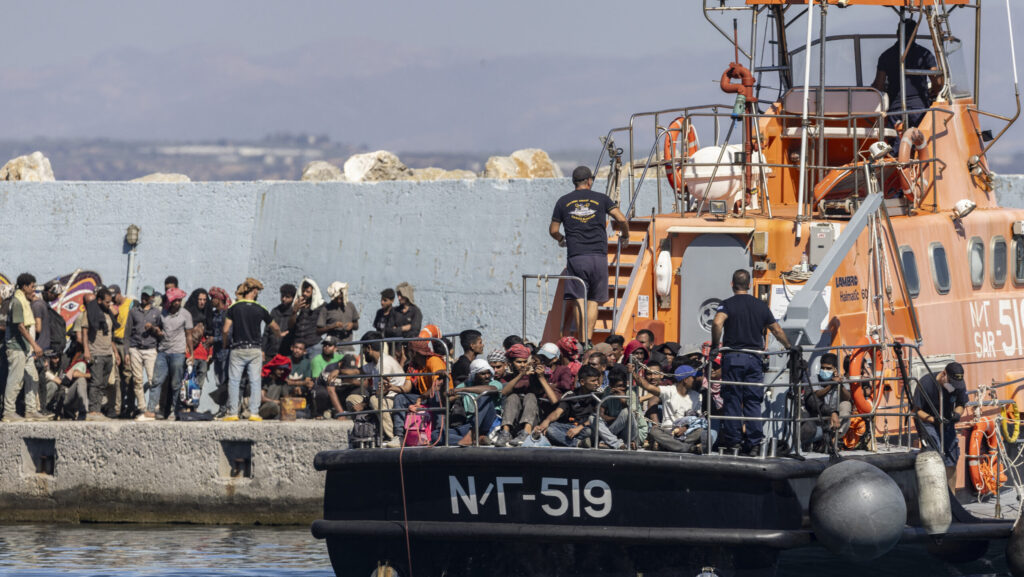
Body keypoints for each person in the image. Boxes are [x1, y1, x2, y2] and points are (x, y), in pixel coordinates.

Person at [710, 269, 791, 455]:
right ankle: (755, 443)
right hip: (754, 358)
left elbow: (716, 323)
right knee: (753, 401)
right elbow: (777, 330)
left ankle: (733, 443)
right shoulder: (760, 306)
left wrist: (716, 344)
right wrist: (789, 346)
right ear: (749, 285)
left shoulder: (726, 305)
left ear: (732, 284)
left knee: (732, 400)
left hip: (732, 358)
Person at [549, 166, 630, 345]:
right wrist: (625, 235)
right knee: (593, 299)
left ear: (574, 182)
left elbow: (553, 230)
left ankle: (582, 341)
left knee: (579, 298)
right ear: (589, 181)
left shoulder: (563, 201)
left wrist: (562, 239)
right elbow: (622, 219)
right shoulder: (601, 198)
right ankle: (589, 340)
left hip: (576, 257)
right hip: (599, 257)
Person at [221, 278, 281, 421]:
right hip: (254, 349)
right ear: (254, 292)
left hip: (237, 348)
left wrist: (225, 344)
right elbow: (275, 327)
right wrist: (279, 335)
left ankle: (233, 413)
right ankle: (254, 413)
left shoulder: (233, 308)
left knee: (234, 381)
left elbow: (225, 330)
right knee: (255, 381)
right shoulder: (261, 309)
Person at [871, 18, 941, 128]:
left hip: (896, 109)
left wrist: (865, 91)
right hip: (920, 109)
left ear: (897, 33)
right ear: (915, 34)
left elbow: (878, 85)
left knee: (896, 142)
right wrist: (934, 92)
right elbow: (937, 82)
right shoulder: (925, 54)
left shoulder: (886, 56)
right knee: (920, 141)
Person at [536, 365, 623, 449]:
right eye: (593, 381)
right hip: (571, 428)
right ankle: (578, 443)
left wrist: (579, 428)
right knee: (550, 429)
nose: (597, 383)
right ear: (582, 382)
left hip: (587, 428)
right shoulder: (571, 395)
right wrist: (546, 422)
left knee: (588, 432)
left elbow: (598, 418)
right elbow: (557, 412)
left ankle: (571, 442)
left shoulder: (599, 395)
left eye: (597, 380)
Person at [913, 362, 968, 487]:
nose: (953, 387)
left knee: (952, 456)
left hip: (947, 420)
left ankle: (951, 498)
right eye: (951, 383)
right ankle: (935, 492)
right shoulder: (926, 383)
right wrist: (934, 420)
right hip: (928, 421)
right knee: (934, 451)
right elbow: (916, 411)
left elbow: (961, 404)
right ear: (944, 374)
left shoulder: (959, 384)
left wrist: (957, 415)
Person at [640, 365, 713, 453]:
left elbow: (697, 419)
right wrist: (633, 373)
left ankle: (669, 446)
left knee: (705, 433)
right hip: (669, 432)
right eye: (693, 378)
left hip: (688, 432)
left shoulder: (697, 396)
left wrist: (685, 428)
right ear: (685, 380)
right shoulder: (668, 391)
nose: (695, 380)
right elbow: (648, 387)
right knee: (654, 431)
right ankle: (688, 448)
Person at [144, 287, 191, 420]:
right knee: (156, 381)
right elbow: (159, 327)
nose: (177, 303)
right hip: (163, 352)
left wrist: (190, 353)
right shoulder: (163, 313)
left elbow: (189, 334)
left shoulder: (185, 314)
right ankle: (151, 409)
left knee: (176, 384)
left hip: (178, 353)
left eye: (179, 300)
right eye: (175, 300)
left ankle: (176, 411)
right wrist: (156, 331)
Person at [3, 273, 45, 422]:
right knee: (16, 379)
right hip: (16, 347)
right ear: (24, 286)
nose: (34, 290)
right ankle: (8, 412)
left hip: (25, 348)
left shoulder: (25, 301)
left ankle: (31, 410)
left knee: (32, 377)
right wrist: (35, 344)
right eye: (32, 286)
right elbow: (20, 326)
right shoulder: (17, 302)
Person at [361, 330, 407, 447]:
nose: (362, 353)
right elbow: (358, 371)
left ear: (369, 348)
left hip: (394, 399)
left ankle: (392, 437)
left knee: (374, 401)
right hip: (384, 396)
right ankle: (364, 432)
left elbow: (383, 391)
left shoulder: (384, 363)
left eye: (363, 349)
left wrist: (365, 402)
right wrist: (338, 371)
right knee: (352, 399)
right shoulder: (375, 362)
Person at [127, 286, 161, 420]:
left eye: (147, 296)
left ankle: (154, 407)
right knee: (137, 380)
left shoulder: (156, 313)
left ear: (152, 298)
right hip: (135, 348)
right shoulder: (134, 311)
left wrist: (152, 328)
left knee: (153, 379)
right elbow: (128, 333)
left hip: (150, 349)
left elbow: (160, 332)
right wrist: (126, 352)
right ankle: (141, 407)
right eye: (143, 295)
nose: (144, 298)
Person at [317, 281, 359, 353]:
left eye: (341, 298)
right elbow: (318, 331)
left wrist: (352, 325)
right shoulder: (326, 309)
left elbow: (356, 326)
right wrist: (332, 326)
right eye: (336, 299)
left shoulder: (350, 306)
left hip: (347, 347)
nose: (339, 301)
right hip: (332, 349)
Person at [263, 284, 295, 358]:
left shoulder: (294, 314)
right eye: (282, 296)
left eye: (287, 297)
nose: (284, 299)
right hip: (270, 353)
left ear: (293, 298)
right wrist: (262, 350)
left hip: (286, 354)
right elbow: (266, 332)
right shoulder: (274, 311)